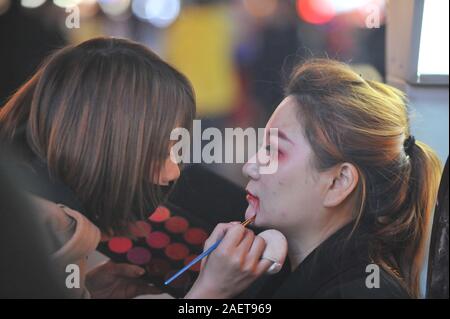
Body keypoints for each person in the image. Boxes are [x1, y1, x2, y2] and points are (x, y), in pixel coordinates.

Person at [0, 37, 270, 298]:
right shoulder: (38, 230)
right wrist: (210, 292)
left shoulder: (36, 207)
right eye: (161, 151)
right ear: (103, 141)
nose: (172, 172)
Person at [240, 59, 442, 298]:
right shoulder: (276, 273)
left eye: (274, 150)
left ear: (339, 182)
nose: (249, 167)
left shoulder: (363, 293)